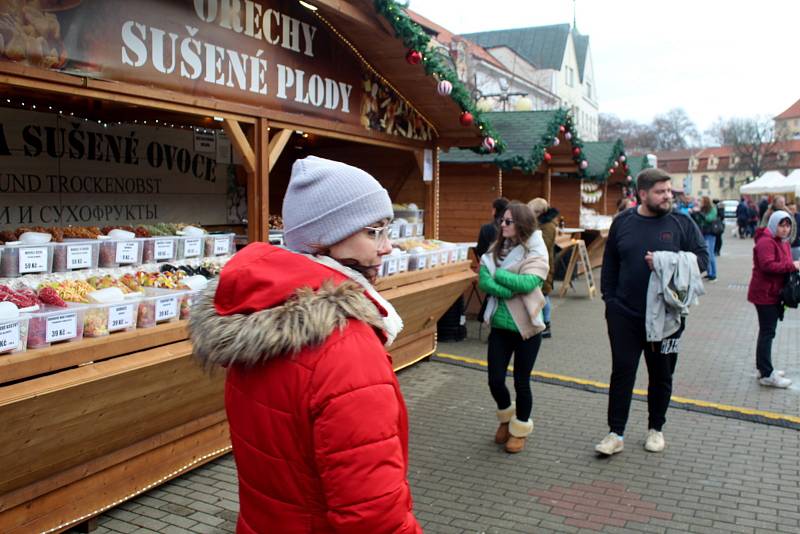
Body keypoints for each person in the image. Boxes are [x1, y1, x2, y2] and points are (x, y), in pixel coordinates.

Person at [190, 156, 421, 533]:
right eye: (373, 232)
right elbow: (374, 517)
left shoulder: (258, 316)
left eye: (386, 230)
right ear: (321, 239)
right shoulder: (347, 349)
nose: (387, 247)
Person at [596, 168, 708, 456]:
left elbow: (703, 261)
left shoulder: (682, 223)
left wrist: (664, 261)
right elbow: (610, 264)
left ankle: (655, 429)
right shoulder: (623, 222)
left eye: (669, 191)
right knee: (622, 372)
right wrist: (610, 300)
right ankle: (615, 433)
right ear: (642, 194)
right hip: (625, 315)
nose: (668, 196)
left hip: (669, 318)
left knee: (661, 375)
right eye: (661, 192)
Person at [479, 201, 549, 453]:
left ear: (521, 224)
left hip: (527, 329)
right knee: (495, 380)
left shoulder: (536, 252)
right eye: (502, 220)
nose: (503, 225)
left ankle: (519, 429)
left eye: (508, 221)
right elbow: (484, 282)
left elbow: (529, 283)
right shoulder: (494, 250)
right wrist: (508, 285)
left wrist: (499, 275)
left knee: (522, 382)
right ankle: (506, 419)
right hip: (499, 326)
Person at [748, 211, 800, 388]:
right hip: (765, 294)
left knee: (767, 332)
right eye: (781, 225)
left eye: (788, 226)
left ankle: (764, 367)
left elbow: (784, 263)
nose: (785, 229)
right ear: (773, 224)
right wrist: (791, 265)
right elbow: (767, 265)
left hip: (773, 293)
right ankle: (766, 373)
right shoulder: (766, 242)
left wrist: (791, 266)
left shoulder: (782, 242)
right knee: (767, 332)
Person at [528, 197, 559, 338]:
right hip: (542, 264)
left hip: (544, 265)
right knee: (542, 294)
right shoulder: (544, 224)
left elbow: (543, 246)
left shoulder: (547, 226)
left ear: (539, 212)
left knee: (543, 295)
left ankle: (546, 325)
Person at [691, 196, 719, 281]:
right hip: (703, 233)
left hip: (710, 233)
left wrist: (699, 213)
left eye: (701, 201)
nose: (700, 202)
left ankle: (713, 274)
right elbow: (698, 220)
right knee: (705, 253)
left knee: (710, 254)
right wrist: (694, 213)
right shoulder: (702, 209)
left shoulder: (712, 209)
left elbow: (709, 219)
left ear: (705, 202)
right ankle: (708, 272)